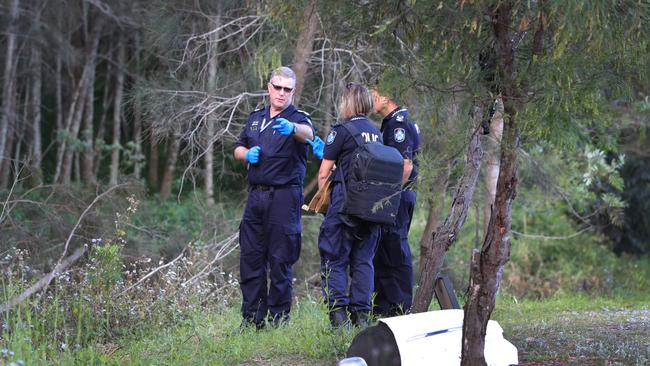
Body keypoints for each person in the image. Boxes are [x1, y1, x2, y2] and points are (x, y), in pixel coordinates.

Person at [233, 66, 314, 329]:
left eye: (287, 89)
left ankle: (279, 320)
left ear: (293, 91)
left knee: (280, 260)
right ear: (269, 87)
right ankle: (252, 319)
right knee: (251, 259)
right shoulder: (256, 118)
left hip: (284, 198)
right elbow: (238, 146)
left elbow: (309, 135)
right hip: (256, 197)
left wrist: (292, 129)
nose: (281, 93)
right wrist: (245, 154)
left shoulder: (298, 118)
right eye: (277, 87)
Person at [317, 83, 382, 328]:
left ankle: (339, 319)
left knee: (334, 260)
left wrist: (327, 203)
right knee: (363, 262)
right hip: (372, 209)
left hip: (344, 208)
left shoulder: (341, 130)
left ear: (348, 102)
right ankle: (362, 320)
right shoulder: (378, 134)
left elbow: (324, 174)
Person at [370, 88, 421, 317]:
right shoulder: (390, 121)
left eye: (373, 95)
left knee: (396, 247)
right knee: (386, 248)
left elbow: (405, 165)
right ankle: (385, 306)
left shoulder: (398, 123)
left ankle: (401, 306)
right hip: (397, 195)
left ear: (386, 96)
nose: (371, 100)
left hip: (398, 196)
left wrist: (389, 198)